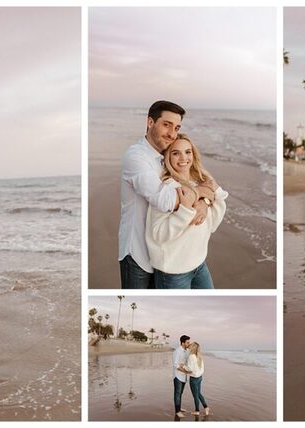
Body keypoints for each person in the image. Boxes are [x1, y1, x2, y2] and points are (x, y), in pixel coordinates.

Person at [118, 100, 209, 289]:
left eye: (176, 127)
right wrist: (201, 194)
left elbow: (202, 182)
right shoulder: (136, 157)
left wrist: (205, 201)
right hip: (138, 252)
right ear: (150, 122)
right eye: (166, 125)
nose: (171, 133)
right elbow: (165, 200)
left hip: (164, 252)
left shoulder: (170, 154)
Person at [146, 134, 227, 288]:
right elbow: (158, 233)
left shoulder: (201, 181)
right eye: (176, 153)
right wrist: (185, 210)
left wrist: (205, 201)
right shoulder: (166, 189)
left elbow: (212, 224)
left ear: (193, 154)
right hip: (173, 271)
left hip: (199, 264)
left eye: (188, 152)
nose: (183, 157)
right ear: (167, 157)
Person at [182, 342, 210, 416]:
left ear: (193, 347)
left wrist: (184, 366)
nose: (189, 345)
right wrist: (198, 374)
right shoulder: (199, 356)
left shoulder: (191, 356)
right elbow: (202, 369)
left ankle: (197, 411)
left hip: (194, 379)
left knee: (195, 395)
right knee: (198, 393)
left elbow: (190, 369)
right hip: (199, 377)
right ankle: (206, 407)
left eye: (191, 345)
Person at [172, 335, 192, 418]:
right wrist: (185, 370)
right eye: (187, 342)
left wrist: (185, 367)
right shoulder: (177, 351)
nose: (189, 343)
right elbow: (176, 365)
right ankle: (177, 411)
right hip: (178, 376)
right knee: (177, 393)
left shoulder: (187, 351)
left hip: (184, 376)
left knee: (180, 393)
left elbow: (188, 362)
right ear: (183, 343)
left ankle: (179, 407)